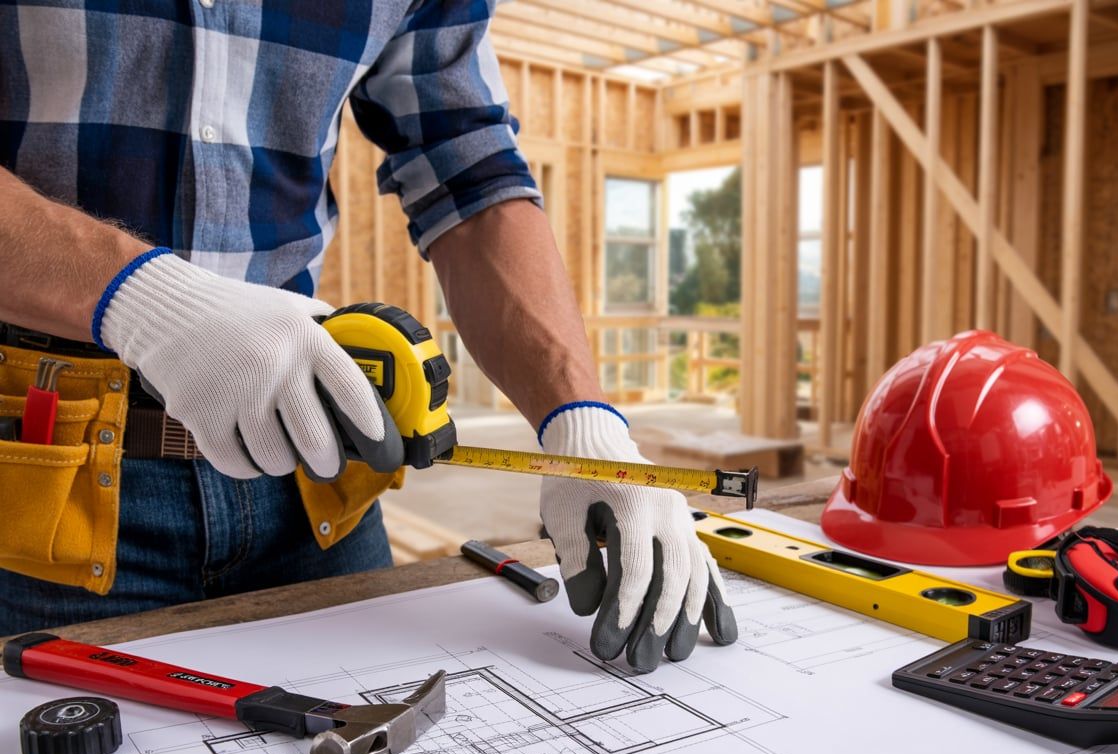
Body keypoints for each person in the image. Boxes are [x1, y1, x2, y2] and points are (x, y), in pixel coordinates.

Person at [0, 1, 737, 672]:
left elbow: (472, 179)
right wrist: (144, 301)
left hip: (316, 473)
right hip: (46, 471)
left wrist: (582, 421)